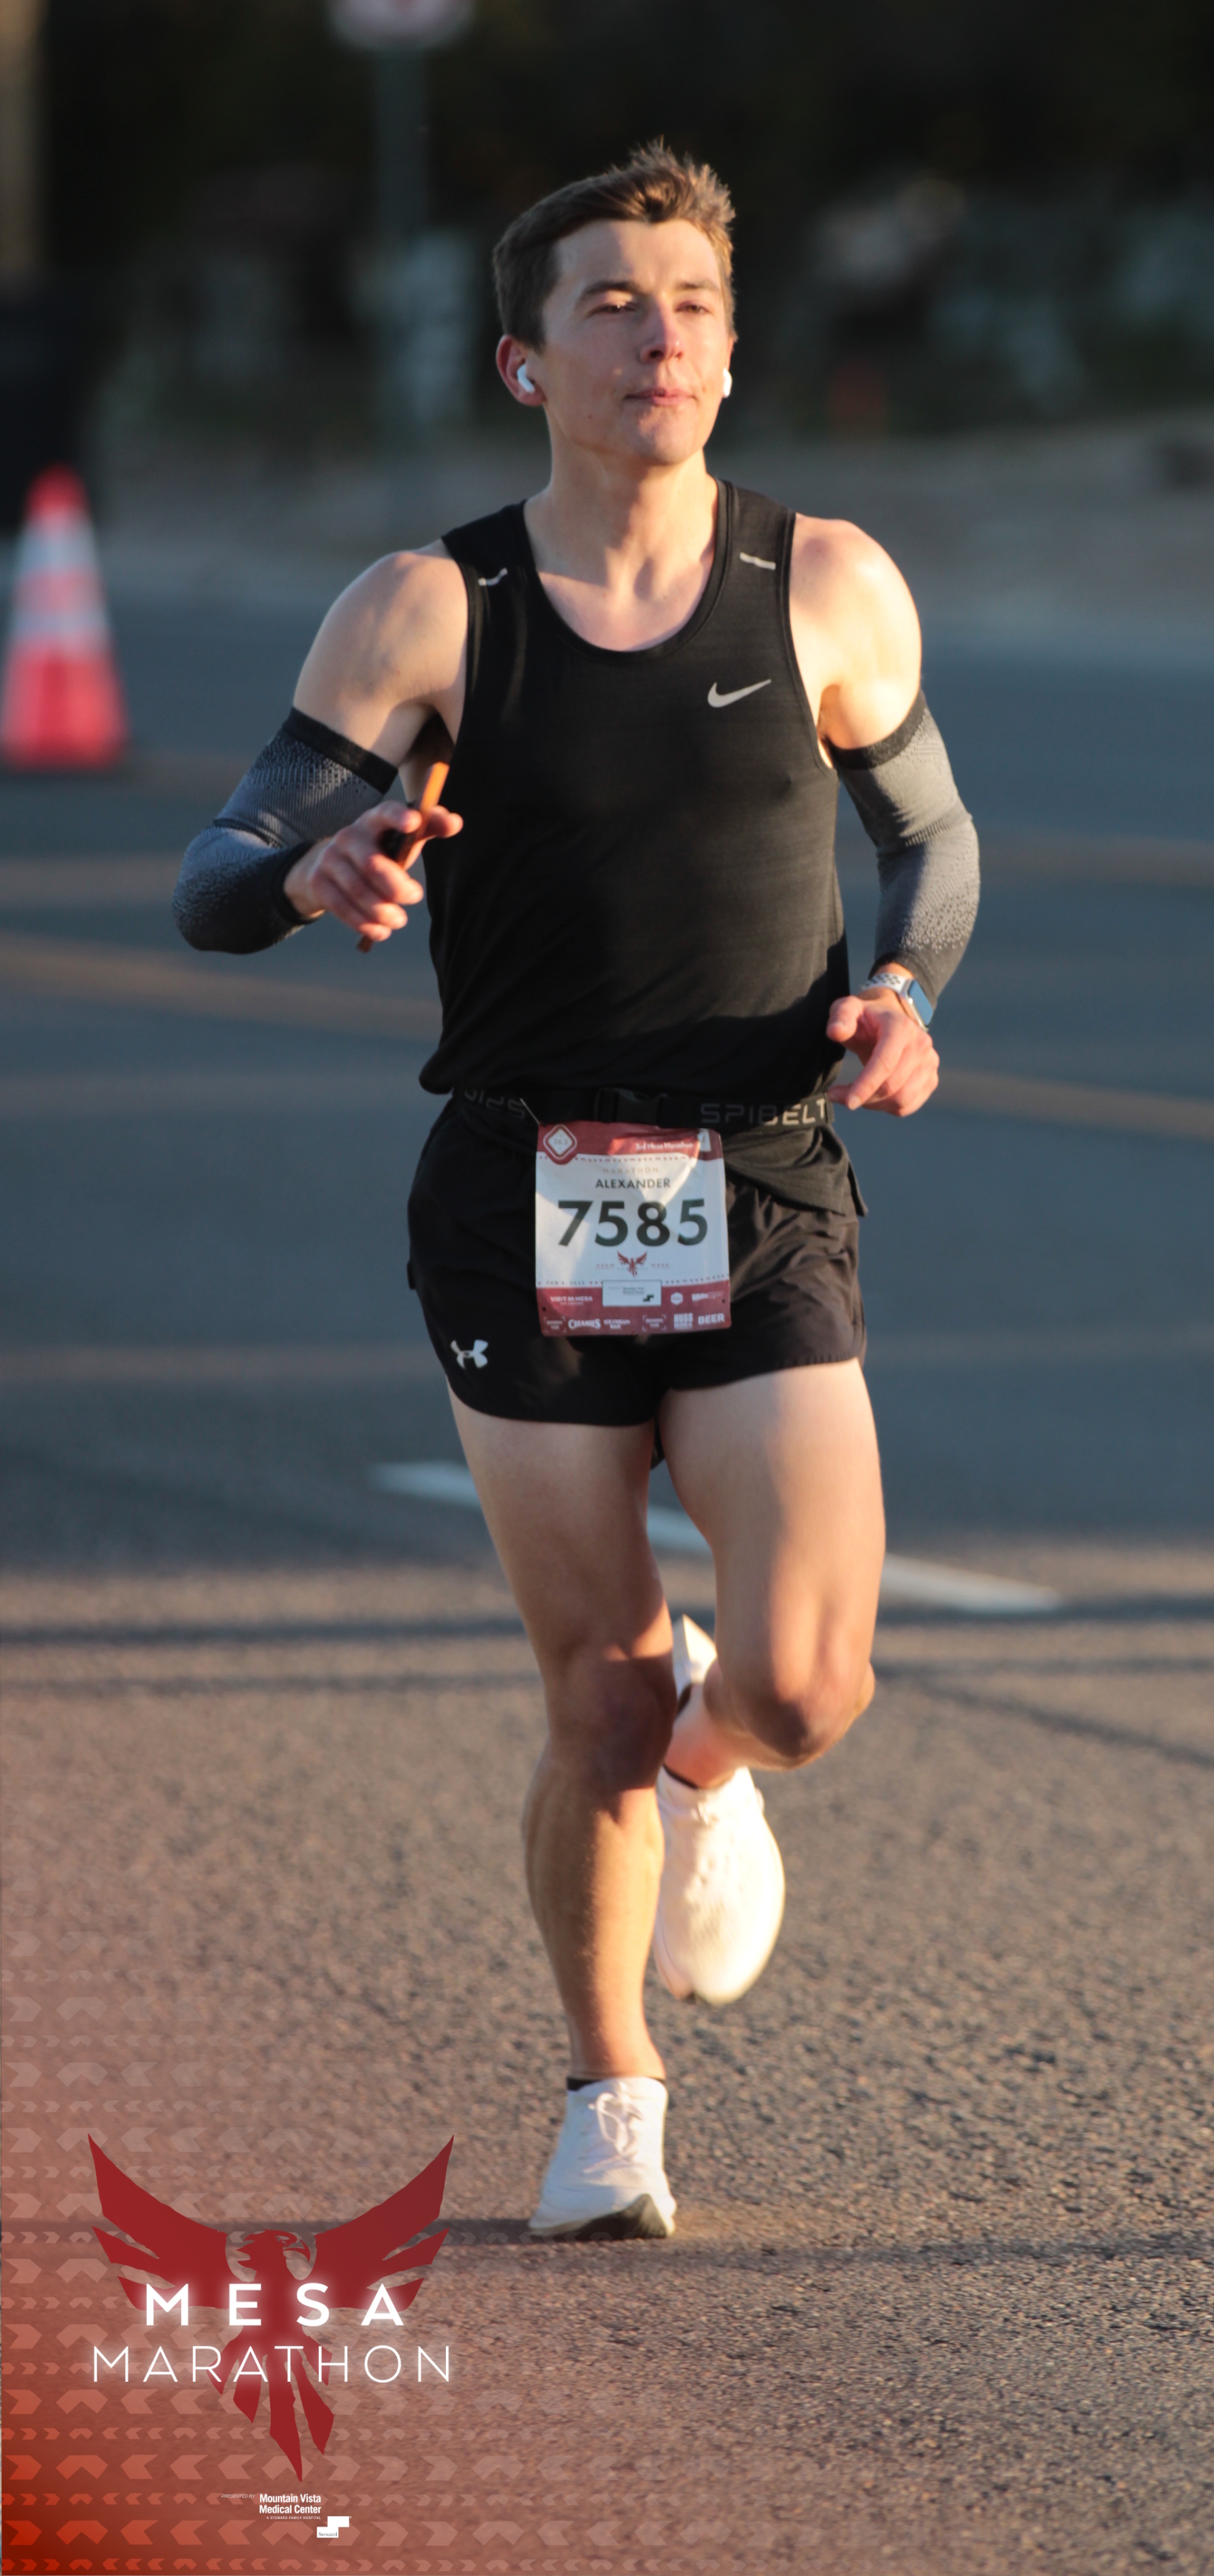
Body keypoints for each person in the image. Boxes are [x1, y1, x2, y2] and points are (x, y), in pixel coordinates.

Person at [174, 141, 980, 2241]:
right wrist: (310, 868)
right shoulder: (431, 608)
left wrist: (905, 990)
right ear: (525, 363)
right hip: (522, 1193)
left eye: (694, 304)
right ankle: (611, 2094)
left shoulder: (826, 583)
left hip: (762, 1169)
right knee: (601, 1690)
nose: (661, 339)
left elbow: (935, 842)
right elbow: (215, 874)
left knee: (801, 1686)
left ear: (734, 344)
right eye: (613, 305)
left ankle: (715, 1779)